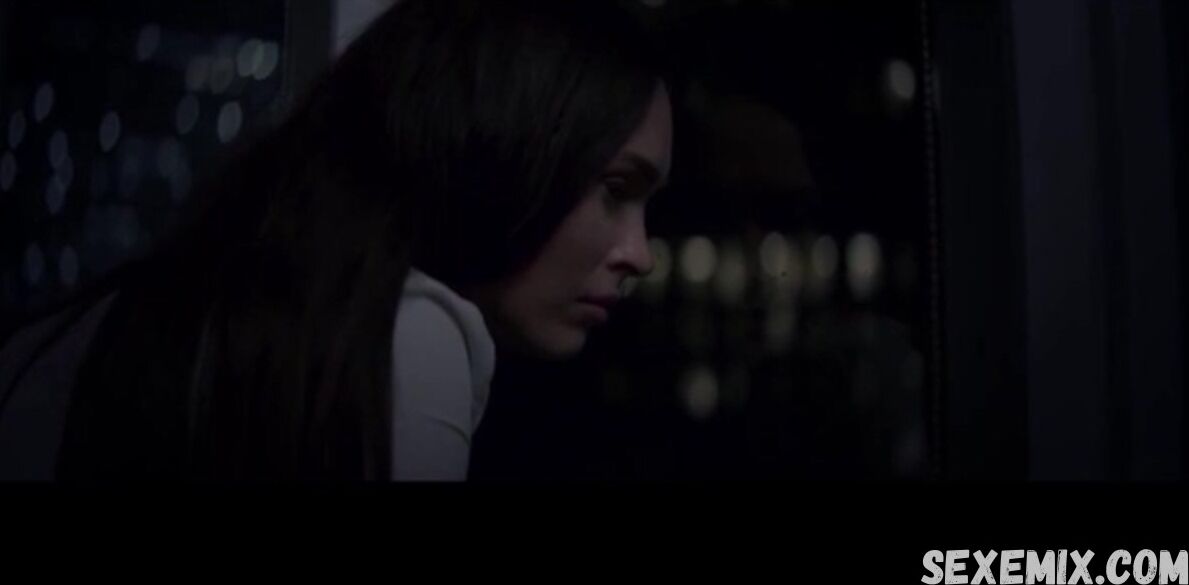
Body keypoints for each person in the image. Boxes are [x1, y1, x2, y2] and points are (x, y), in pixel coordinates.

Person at [0, 0, 672, 481]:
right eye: (616, 188)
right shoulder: (405, 341)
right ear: (500, 148)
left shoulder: (90, 329)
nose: (639, 254)